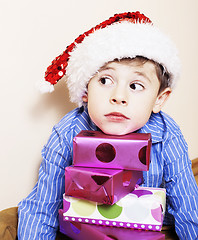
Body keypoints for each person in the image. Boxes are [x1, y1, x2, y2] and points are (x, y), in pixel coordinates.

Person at [17, 12, 198, 240]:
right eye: (105, 81)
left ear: (159, 99)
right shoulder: (68, 131)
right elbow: (41, 207)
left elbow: (189, 208)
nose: (119, 96)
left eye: (136, 85)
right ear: (85, 91)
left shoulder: (166, 133)